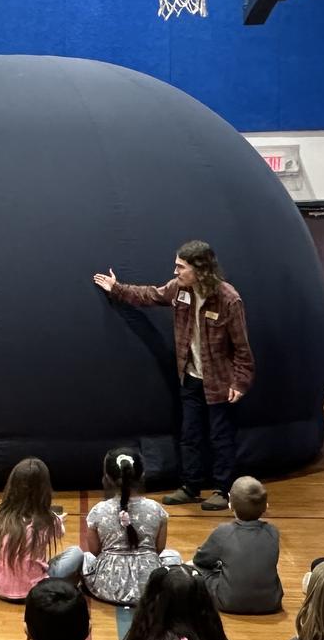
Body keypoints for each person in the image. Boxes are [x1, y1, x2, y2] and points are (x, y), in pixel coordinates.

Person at [92, 239, 255, 512]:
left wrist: (240, 382)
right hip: (190, 378)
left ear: (200, 269)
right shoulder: (179, 290)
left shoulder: (228, 299)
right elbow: (150, 295)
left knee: (220, 437)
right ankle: (191, 486)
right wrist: (117, 289)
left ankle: (223, 490)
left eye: (181, 267)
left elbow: (242, 347)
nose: (175, 271)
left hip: (219, 383)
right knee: (190, 435)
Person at [82, 448, 180, 606]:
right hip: (149, 587)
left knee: (84, 557)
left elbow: (94, 551)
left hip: (106, 587)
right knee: (173, 555)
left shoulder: (98, 510)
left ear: (107, 477)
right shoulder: (156, 509)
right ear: (142, 475)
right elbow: (159, 549)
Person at [0, 457, 88, 602]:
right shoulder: (48, 519)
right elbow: (60, 533)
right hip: (36, 591)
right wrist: (58, 520)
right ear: (44, 489)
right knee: (76, 552)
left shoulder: (1, 512)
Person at [192, 474, 283, 614]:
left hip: (228, 602)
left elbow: (200, 560)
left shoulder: (223, 531)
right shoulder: (273, 532)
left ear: (230, 505)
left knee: (195, 569)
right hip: (271, 602)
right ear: (266, 506)